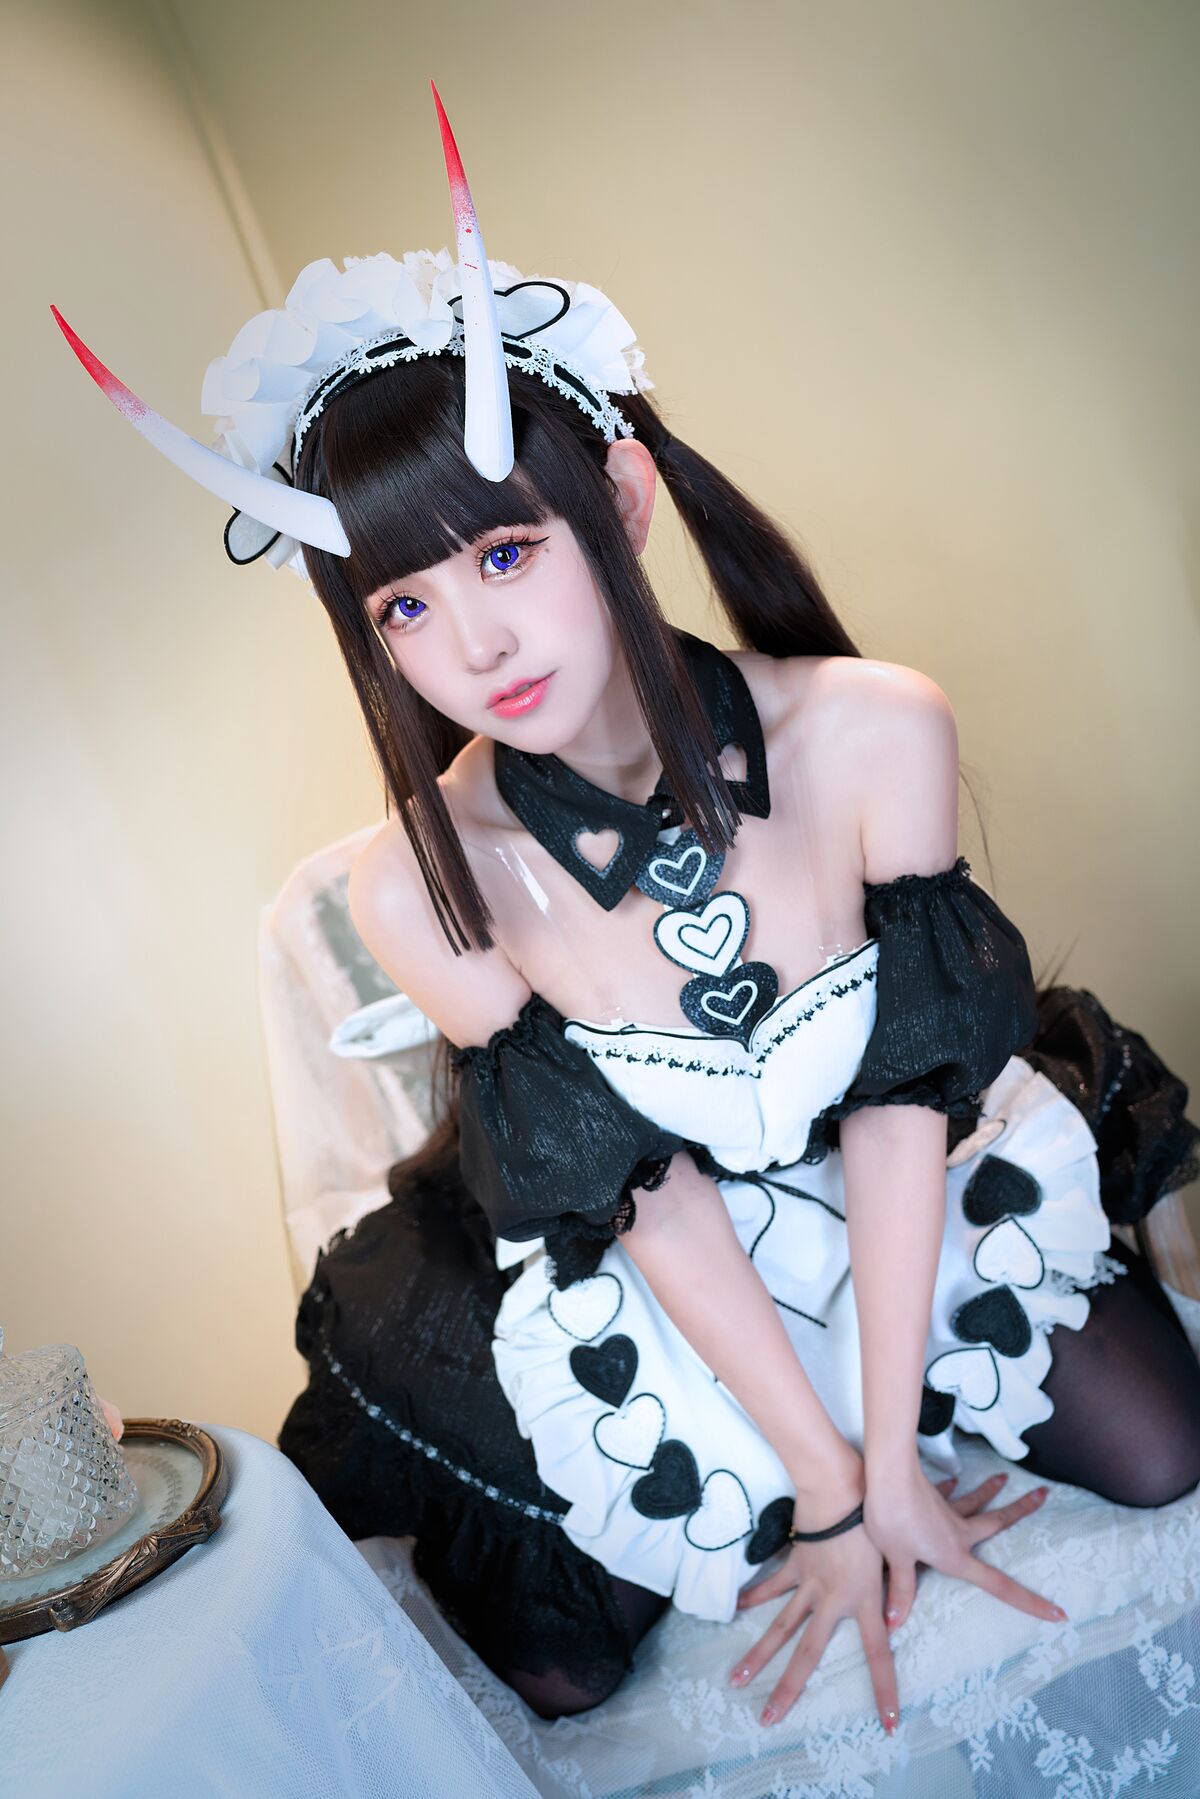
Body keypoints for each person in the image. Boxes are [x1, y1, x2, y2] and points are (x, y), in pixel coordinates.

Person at [56, 87, 1200, 1736]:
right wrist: (826, 1493)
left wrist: (893, 1462)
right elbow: (646, 1196)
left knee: (1163, 1451)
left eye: (505, 555)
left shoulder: (873, 729)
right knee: (563, 1669)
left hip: (888, 1171)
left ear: (626, 499)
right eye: (404, 607)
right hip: (666, 1238)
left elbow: (899, 1104)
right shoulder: (420, 880)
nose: (474, 647)